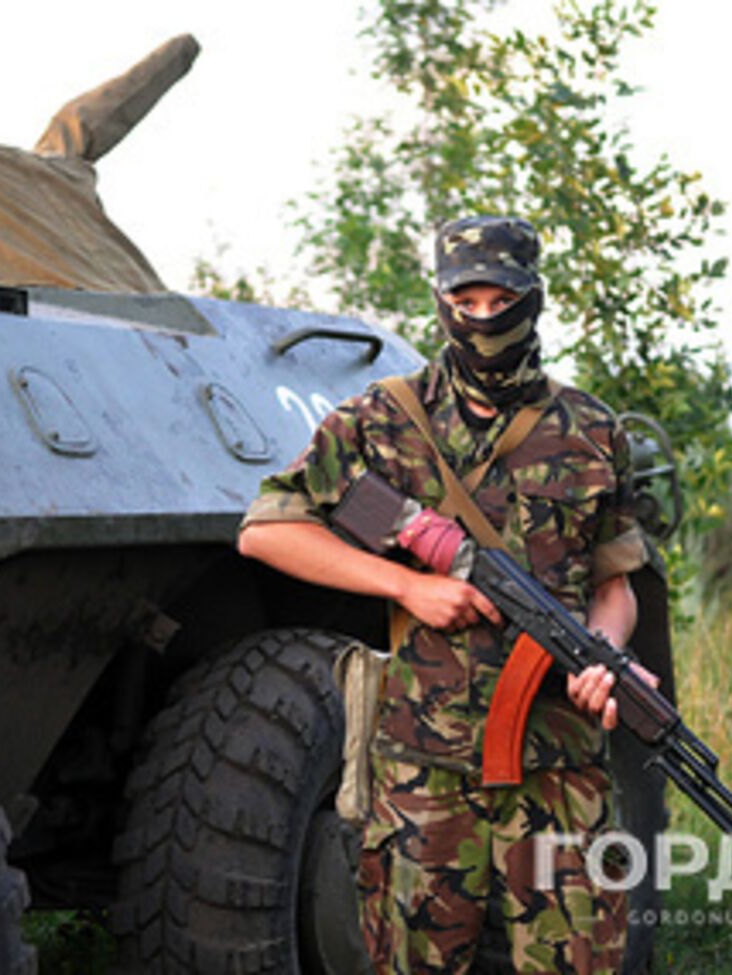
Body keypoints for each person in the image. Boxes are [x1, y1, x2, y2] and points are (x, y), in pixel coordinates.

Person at [237, 215, 652, 974]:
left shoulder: (592, 430)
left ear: (535, 301)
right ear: (442, 301)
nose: (486, 319)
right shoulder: (382, 420)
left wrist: (606, 651)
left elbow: (614, 585)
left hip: (559, 766)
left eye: (504, 301)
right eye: (469, 301)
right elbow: (265, 530)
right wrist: (408, 585)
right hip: (422, 767)